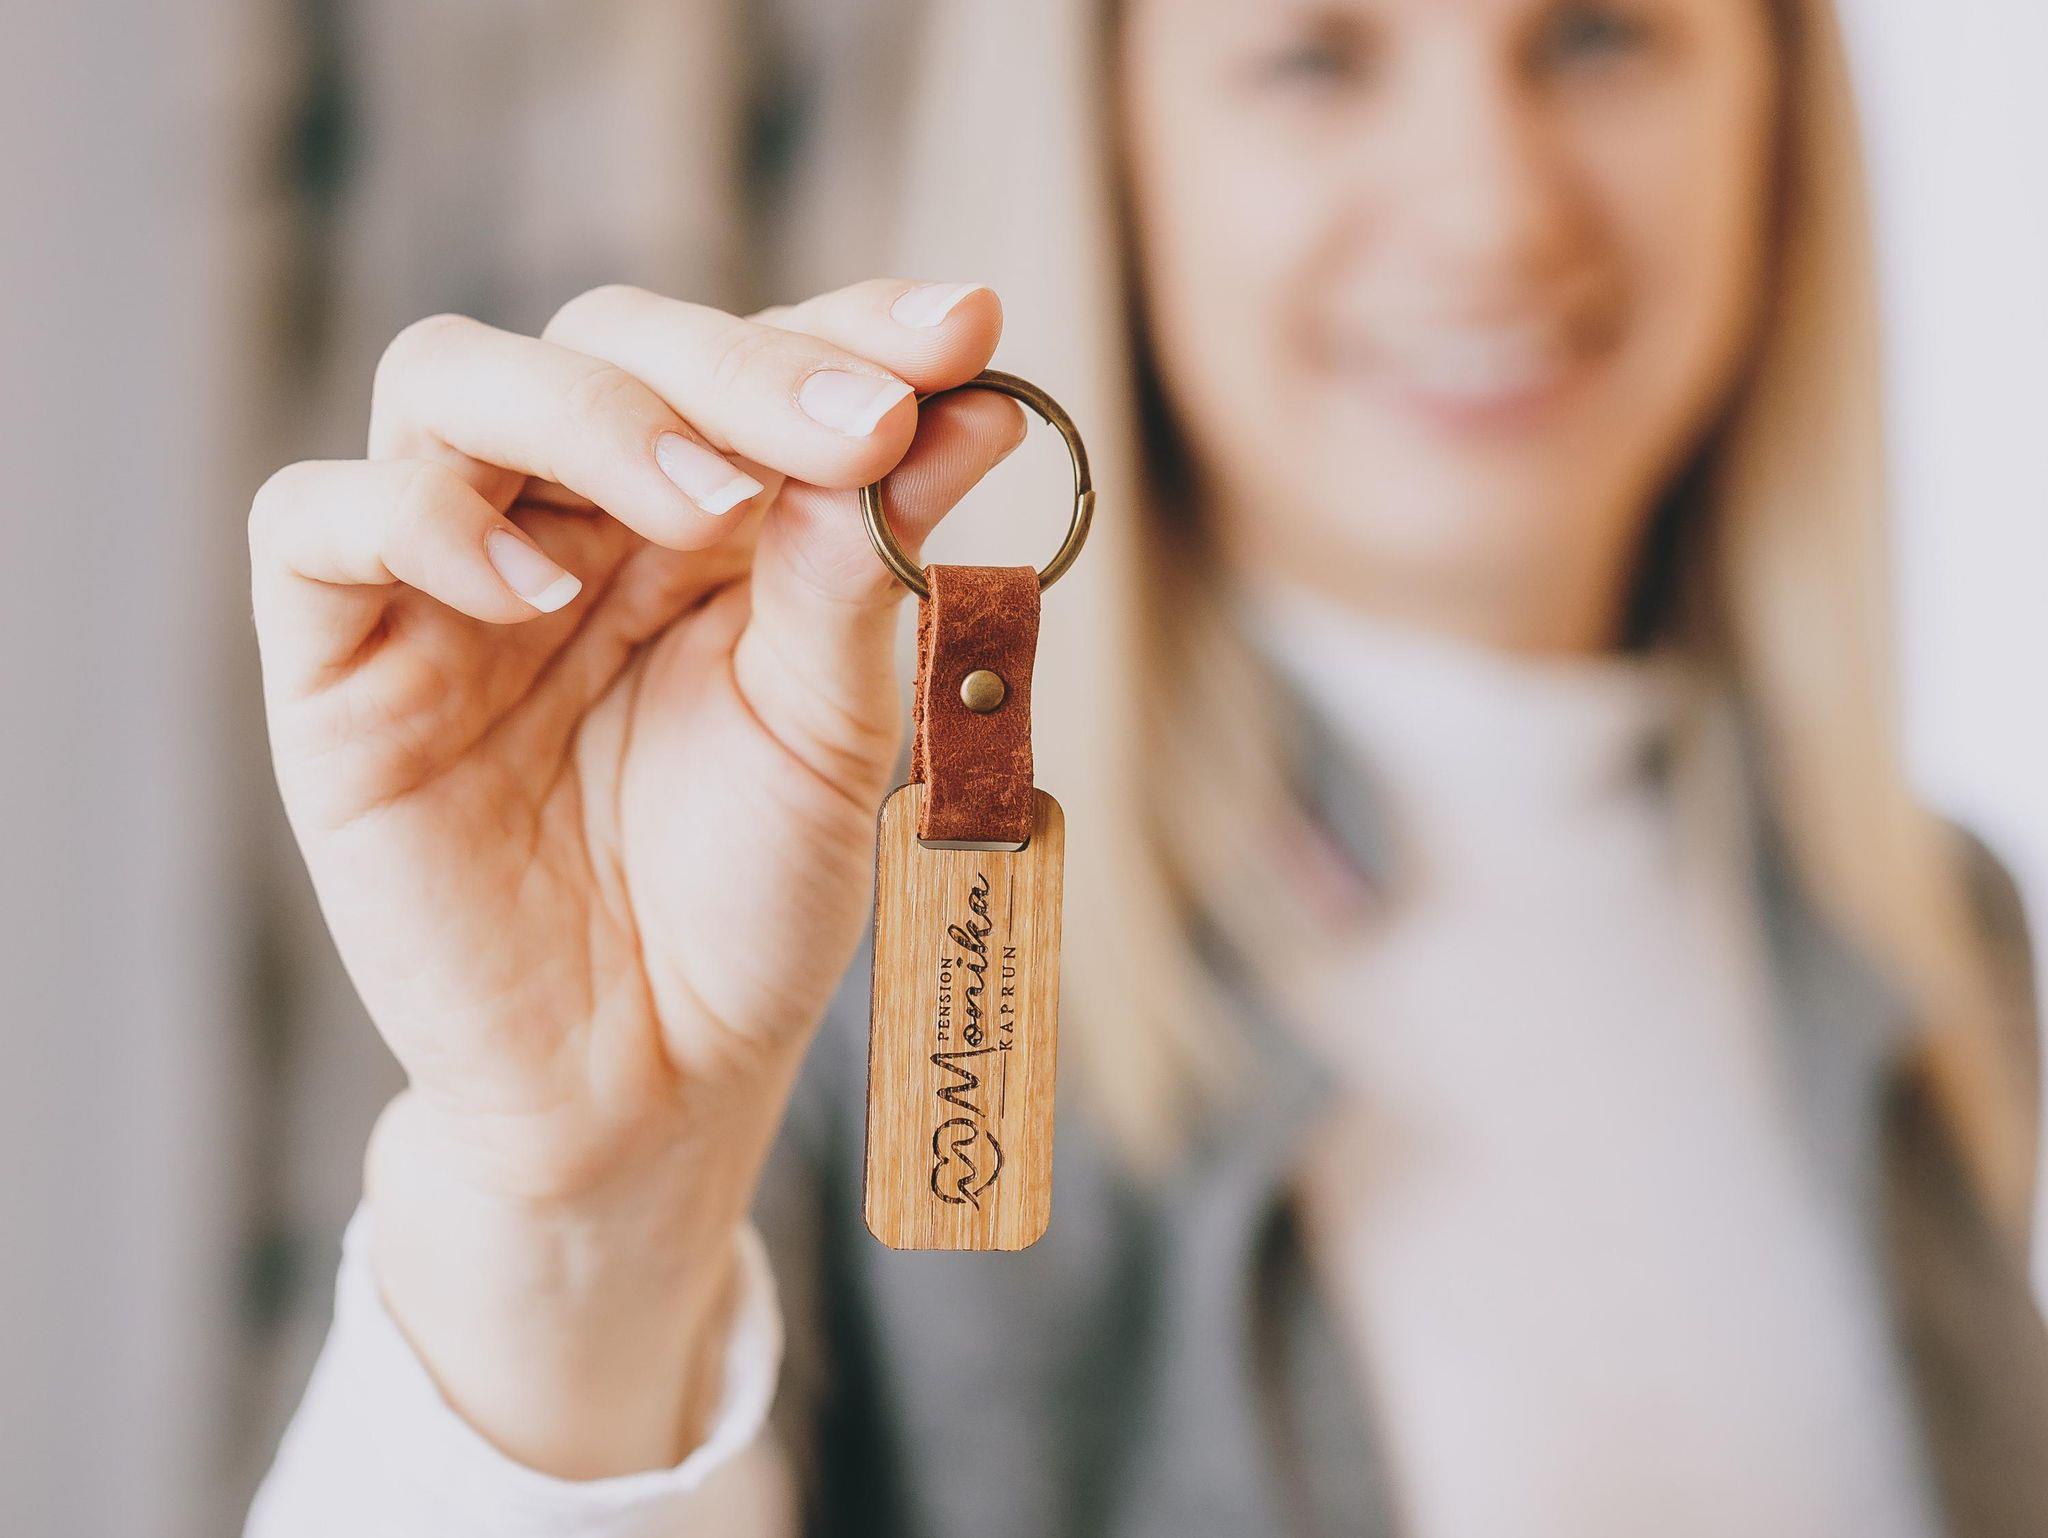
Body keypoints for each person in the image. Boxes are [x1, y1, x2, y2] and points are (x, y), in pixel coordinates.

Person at [244, 0, 2048, 1534]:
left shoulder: (1935, 936)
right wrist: (575, 1223)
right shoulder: (789, 914)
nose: (1491, 204)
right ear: (1109, 145)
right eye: (1314, 59)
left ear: (1778, 109)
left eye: (1597, 35)